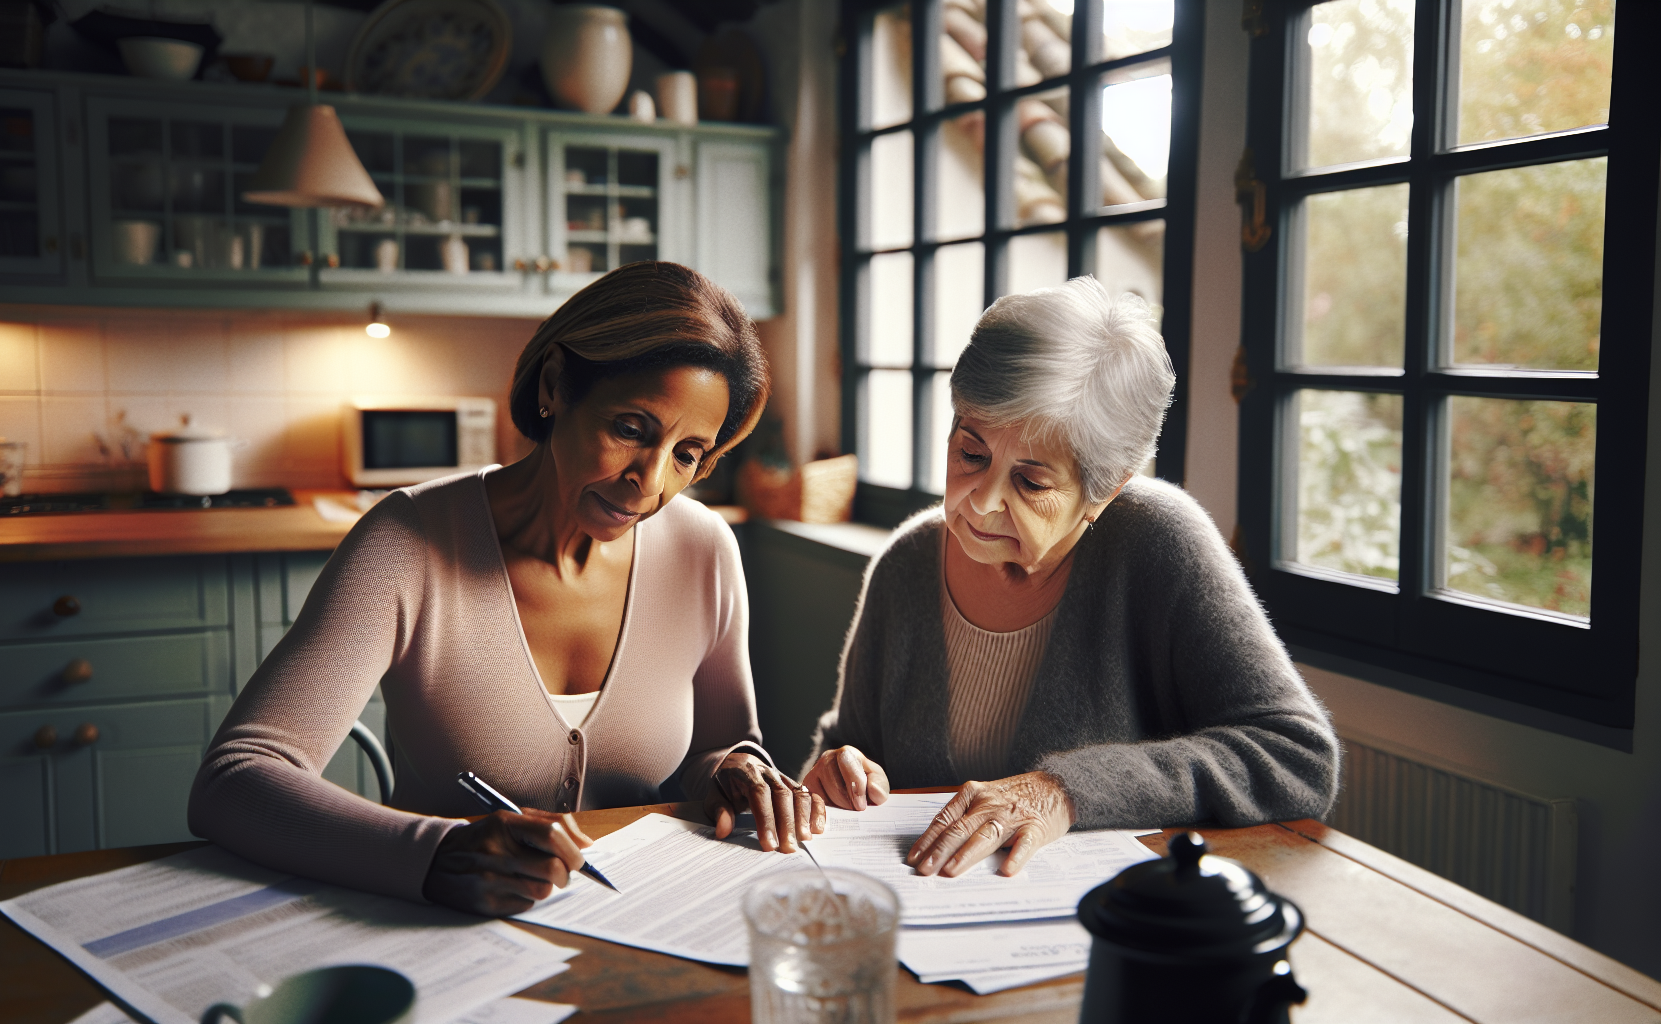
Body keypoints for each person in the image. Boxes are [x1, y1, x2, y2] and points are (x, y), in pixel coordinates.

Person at [190, 262, 822, 917]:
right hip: (446, 939)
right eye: (631, 429)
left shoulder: (705, 549)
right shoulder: (408, 541)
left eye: (687, 453)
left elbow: (718, 747)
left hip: (643, 929)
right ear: (555, 386)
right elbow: (236, 780)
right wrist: (436, 852)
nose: (651, 481)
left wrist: (738, 773)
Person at [801, 276, 1338, 880]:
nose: (980, 504)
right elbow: (846, 747)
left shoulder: (1159, 543)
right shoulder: (906, 564)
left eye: (1031, 482)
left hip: (1105, 926)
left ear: (1106, 489)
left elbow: (1296, 756)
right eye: (970, 454)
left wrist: (1064, 790)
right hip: (917, 913)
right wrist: (833, 773)